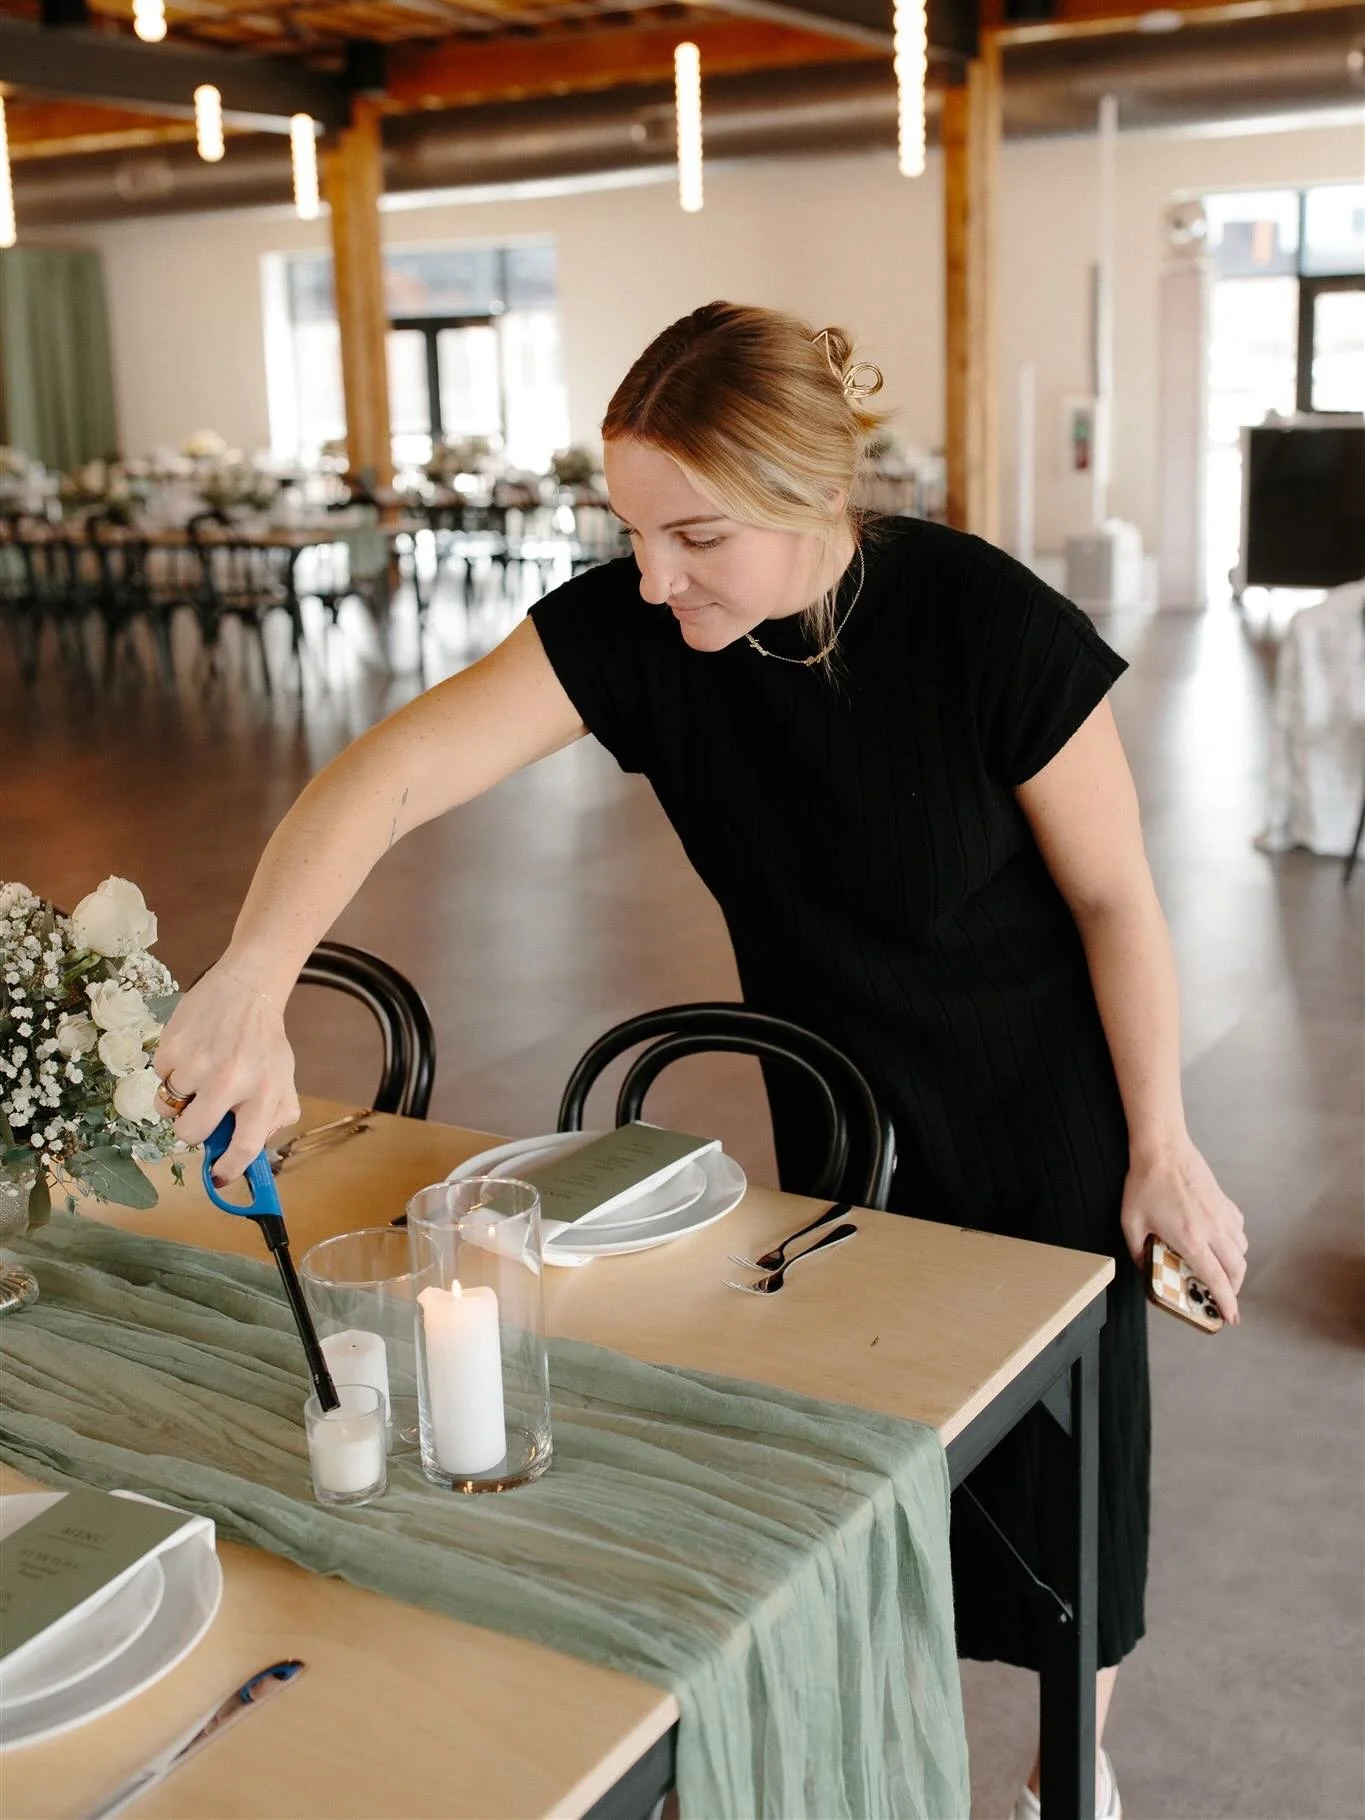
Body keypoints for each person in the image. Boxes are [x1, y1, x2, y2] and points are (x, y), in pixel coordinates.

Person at [156, 300, 1248, 1819]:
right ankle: (881, 1747)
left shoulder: (983, 624)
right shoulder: (644, 633)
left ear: (814, 500)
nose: (654, 574)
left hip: (1043, 1118)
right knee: (865, 1470)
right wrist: (257, 968)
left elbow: (1117, 896)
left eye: (697, 535)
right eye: (634, 529)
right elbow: (389, 772)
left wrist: (1164, 1143)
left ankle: (1075, 1772)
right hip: (839, 1129)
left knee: (1073, 1500)